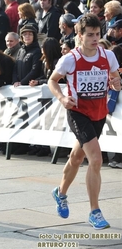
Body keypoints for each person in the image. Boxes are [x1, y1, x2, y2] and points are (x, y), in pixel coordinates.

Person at [48, 14, 121, 230]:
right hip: (78, 113)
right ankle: (95, 211)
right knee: (96, 159)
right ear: (79, 35)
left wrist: (117, 83)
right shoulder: (70, 58)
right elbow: (53, 80)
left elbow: (116, 81)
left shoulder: (108, 56)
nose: (95, 39)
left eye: (97, 34)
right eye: (89, 35)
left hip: (99, 114)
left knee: (77, 157)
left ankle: (60, 193)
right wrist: (62, 98)